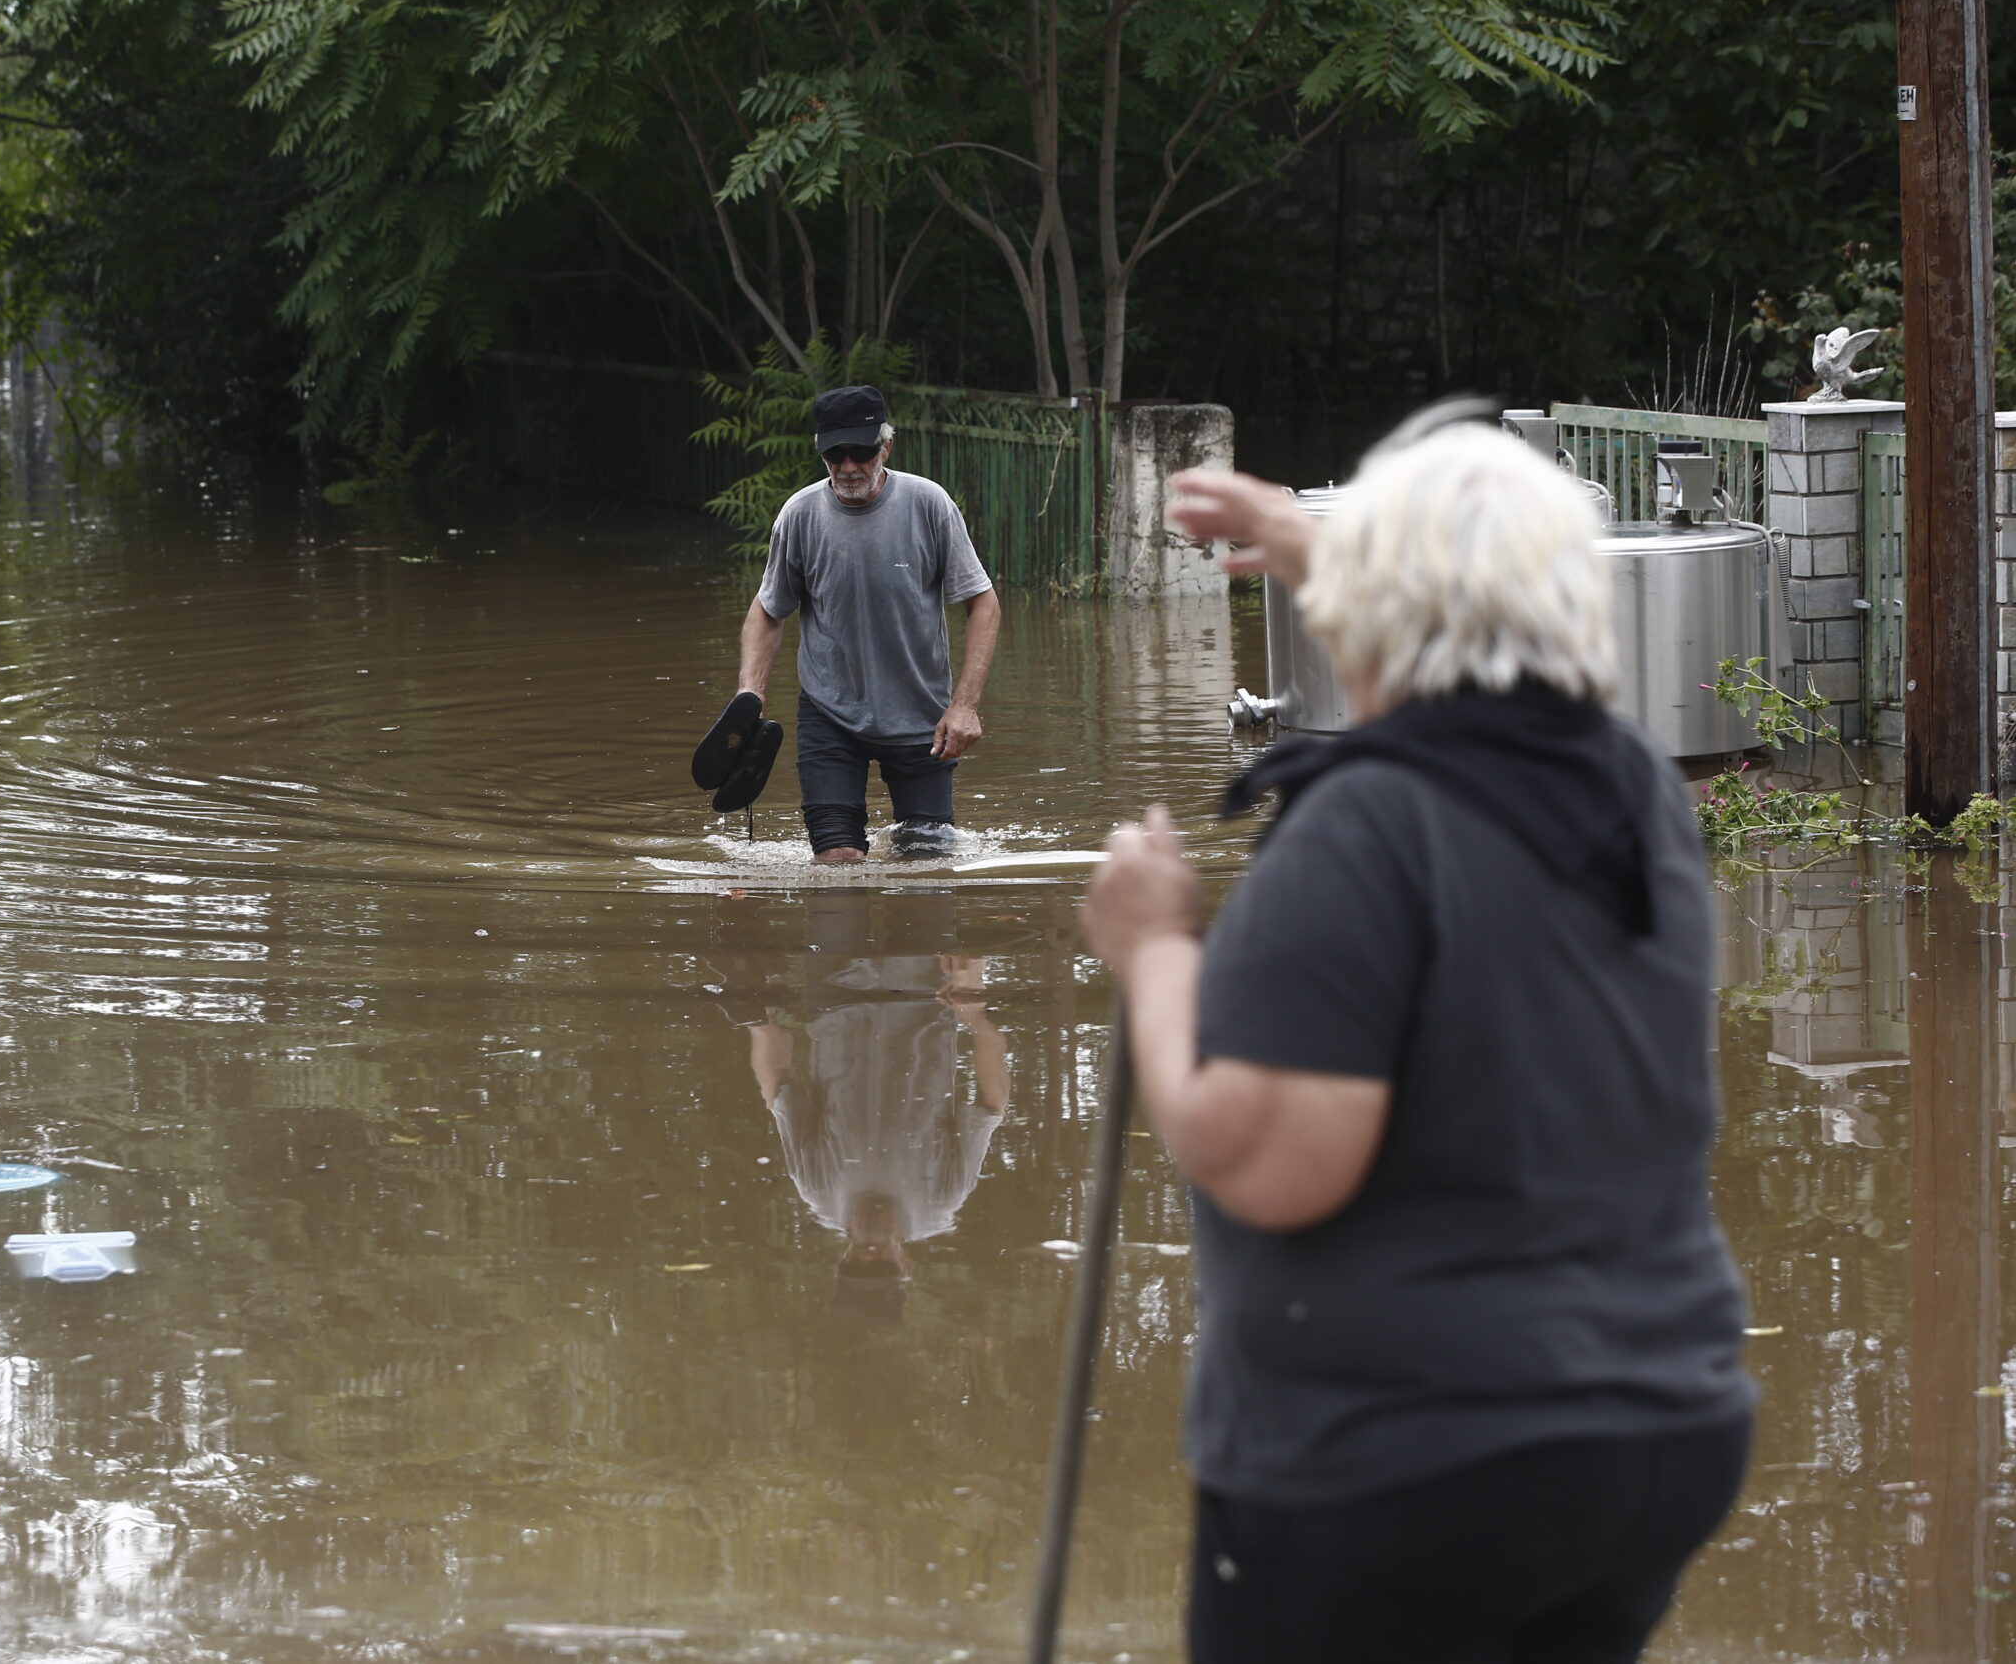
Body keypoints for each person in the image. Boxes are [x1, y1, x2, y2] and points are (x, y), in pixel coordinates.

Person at [1080, 422, 1755, 1664]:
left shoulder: (1367, 825)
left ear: (1370, 615)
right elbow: (1461, 615)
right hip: (1652, 1429)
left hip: (1409, 1459)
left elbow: (1271, 1157)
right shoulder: (1632, 789)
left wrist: (1157, 952)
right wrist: (1301, 536)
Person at [709, 891, 1011, 1316]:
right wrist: (975, 1011)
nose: (870, 1248)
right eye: (881, 1262)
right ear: (902, 1262)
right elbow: (991, 1105)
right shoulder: (942, 1201)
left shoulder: (817, 1191)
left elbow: (778, 1090)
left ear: (842, 1260)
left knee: (837, 872)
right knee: (923, 858)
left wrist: (758, 1022)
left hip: (836, 996)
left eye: (859, 1261)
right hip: (926, 996)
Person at [733, 384, 1001, 863]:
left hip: (924, 720)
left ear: (887, 446)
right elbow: (768, 609)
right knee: (837, 862)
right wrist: (749, 693)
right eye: (836, 454)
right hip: (829, 714)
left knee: (928, 869)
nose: (849, 466)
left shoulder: (929, 504)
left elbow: (983, 602)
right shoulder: (800, 515)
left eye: (862, 452)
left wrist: (965, 705)